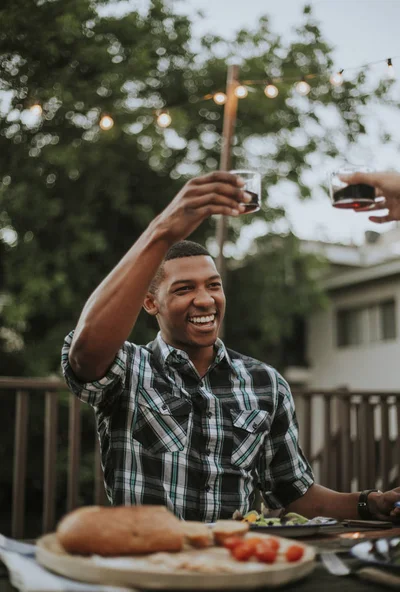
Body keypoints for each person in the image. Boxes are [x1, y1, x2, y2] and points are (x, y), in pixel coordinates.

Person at [62, 170, 400, 522]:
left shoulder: (265, 382)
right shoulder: (129, 369)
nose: (205, 300)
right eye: (184, 289)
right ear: (150, 303)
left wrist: (370, 501)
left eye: (213, 285)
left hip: (237, 563)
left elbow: (296, 494)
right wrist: (162, 230)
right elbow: (85, 353)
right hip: (149, 563)